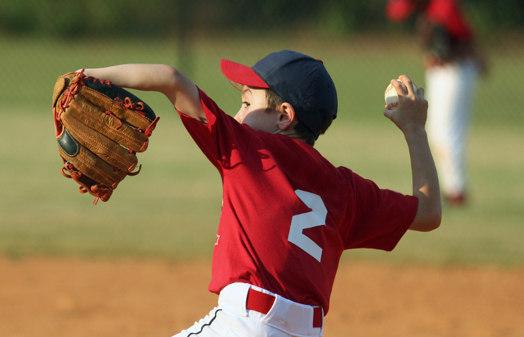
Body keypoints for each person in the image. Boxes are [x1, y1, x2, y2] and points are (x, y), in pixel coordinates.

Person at [81, 49, 441, 337]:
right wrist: (413, 129)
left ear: (284, 116)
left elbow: (170, 78)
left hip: (244, 325)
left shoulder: (249, 149)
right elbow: (427, 212)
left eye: (247, 102)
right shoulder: (345, 190)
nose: (237, 116)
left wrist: (83, 77)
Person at [386, 0, 488, 206]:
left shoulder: (443, 7)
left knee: (446, 131)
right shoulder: (431, 9)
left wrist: (474, 54)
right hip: (444, 72)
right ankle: (454, 188)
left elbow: (464, 36)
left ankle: (456, 190)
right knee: (440, 130)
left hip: (454, 71)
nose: (412, 10)